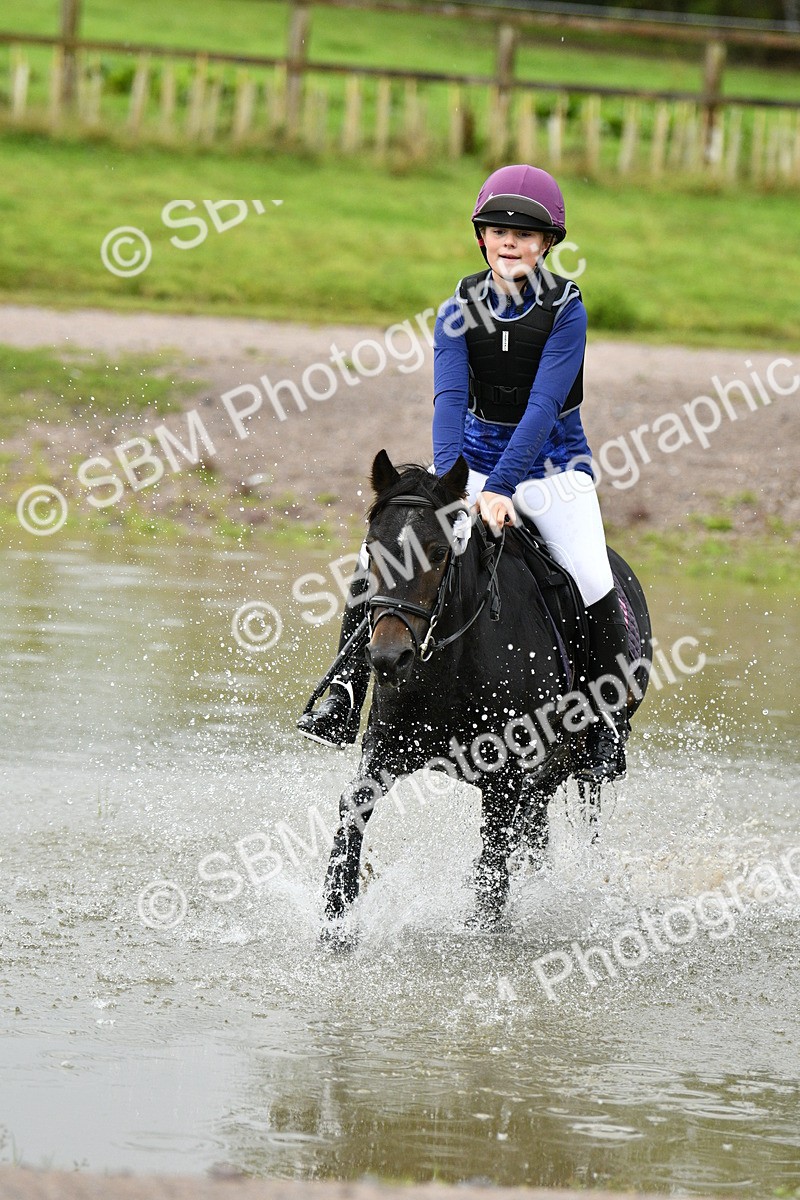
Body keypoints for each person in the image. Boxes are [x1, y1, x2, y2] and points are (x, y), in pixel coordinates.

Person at [298, 163, 630, 783]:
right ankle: (345, 692)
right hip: (470, 465)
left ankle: (603, 722)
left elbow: (540, 407)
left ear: (547, 244)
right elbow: (449, 400)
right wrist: (451, 485)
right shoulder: (456, 309)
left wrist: (503, 488)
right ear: (481, 237)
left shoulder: (567, 312)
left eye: (527, 234)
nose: (512, 241)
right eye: (499, 229)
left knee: (589, 575)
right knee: (385, 555)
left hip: (554, 470)